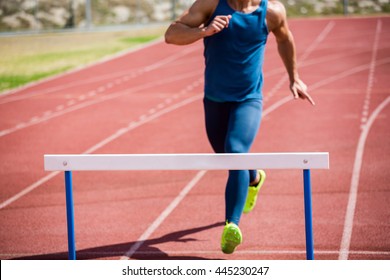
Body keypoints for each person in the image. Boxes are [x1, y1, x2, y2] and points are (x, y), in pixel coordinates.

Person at [165, 0, 315, 254]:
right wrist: (204, 31)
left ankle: (231, 226)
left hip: (249, 99)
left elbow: (285, 39)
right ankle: (254, 176)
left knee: (235, 152)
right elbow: (171, 35)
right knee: (226, 157)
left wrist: (294, 77)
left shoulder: (272, 12)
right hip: (214, 99)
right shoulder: (211, 5)